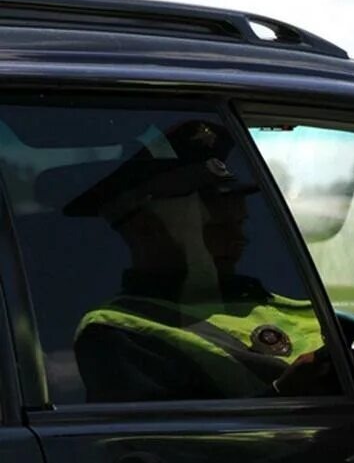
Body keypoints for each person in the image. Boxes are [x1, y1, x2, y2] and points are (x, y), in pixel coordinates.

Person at [69, 120, 332, 402]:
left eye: (240, 224)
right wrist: (283, 395)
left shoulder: (287, 299)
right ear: (146, 230)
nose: (239, 240)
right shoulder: (119, 329)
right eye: (214, 228)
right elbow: (166, 442)